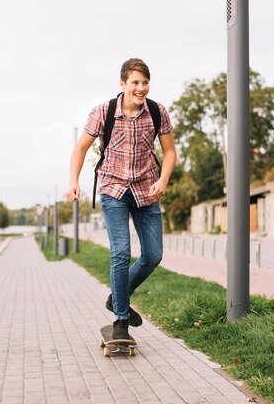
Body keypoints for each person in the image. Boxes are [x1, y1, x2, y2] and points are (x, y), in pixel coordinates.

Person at [66, 58, 176, 340]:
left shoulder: (157, 111)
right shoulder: (103, 112)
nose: (141, 89)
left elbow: (170, 151)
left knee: (153, 255)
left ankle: (117, 295)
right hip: (113, 188)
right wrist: (73, 182)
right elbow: (81, 149)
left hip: (147, 189)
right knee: (121, 252)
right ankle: (121, 321)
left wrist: (163, 181)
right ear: (123, 83)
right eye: (135, 83)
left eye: (145, 83)